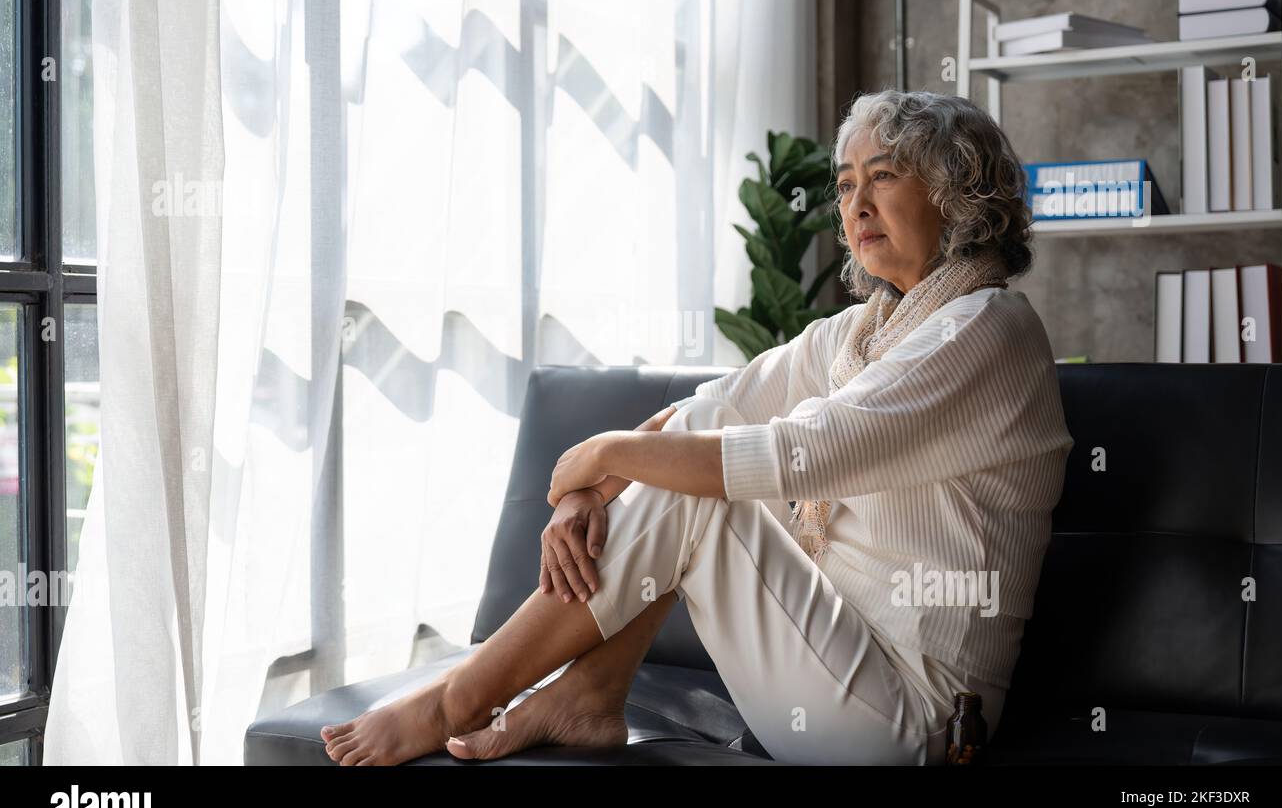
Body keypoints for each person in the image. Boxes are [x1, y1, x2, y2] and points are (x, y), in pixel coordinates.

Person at [319, 89, 1075, 766]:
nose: (855, 204)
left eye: (882, 175)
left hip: (917, 720)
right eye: (845, 186)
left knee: (697, 479)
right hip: (834, 665)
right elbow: (712, 410)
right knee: (702, 437)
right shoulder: (860, 335)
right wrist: (590, 491)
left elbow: (801, 454)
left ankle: (458, 697)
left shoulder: (988, 328)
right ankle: (587, 695)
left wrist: (600, 455)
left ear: (957, 191)